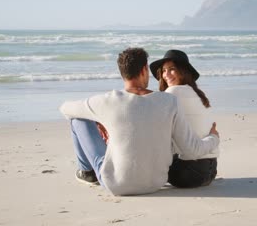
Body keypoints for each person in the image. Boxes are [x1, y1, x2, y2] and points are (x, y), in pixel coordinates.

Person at [59, 47, 220, 196]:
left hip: (117, 185)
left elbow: (65, 108)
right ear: (144, 70)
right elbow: (190, 149)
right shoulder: (169, 101)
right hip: (156, 182)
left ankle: (86, 172)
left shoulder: (107, 101)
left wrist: (100, 120)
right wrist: (213, 138)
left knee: (78, 119)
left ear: (121, 73)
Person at [150, 49, 219, 188]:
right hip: (209, 171)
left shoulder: (173, 92)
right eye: (163, 70)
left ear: (183, 71)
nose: (166, 74)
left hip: (187, 173)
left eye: (172, 69)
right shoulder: (200, 94)